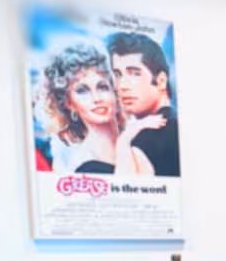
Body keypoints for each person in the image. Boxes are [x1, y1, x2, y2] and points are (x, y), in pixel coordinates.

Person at [37, 43, 165, 175]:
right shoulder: (84, 164)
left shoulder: (139, 141)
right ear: (69, 103)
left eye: (102, 87)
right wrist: (124, 140)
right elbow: (127, 190)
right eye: (82, 91)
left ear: (114, 91)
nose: (96, 98)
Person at [108, 32, 181, 177]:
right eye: (118, 74)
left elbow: (124, 196)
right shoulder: (176, 125)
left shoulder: (146, 137)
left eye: (134, 73)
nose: (122, 86)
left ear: (160, 81)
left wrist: (124, 140)